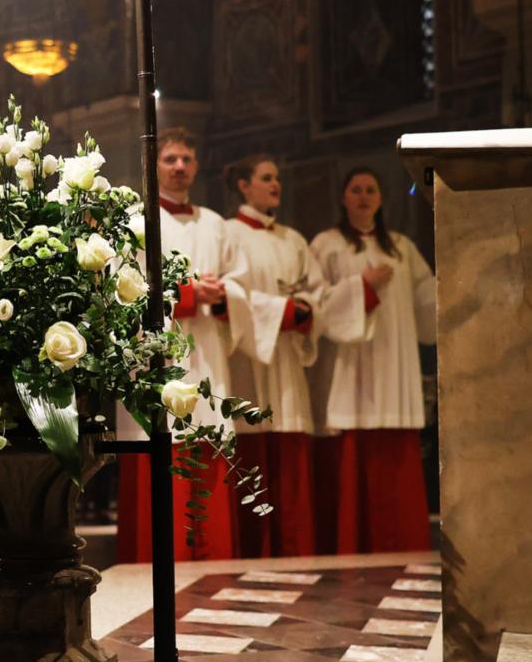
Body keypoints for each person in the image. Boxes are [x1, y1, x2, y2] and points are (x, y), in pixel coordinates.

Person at [114, 127, 250, 563]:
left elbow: (242, 284)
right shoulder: (137, 221)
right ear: (154, 166)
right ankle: (154, 562)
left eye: (185, 160)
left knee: (208, 440)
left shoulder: (214, 223)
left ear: (196, 165)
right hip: (158, 358)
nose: (178, 167)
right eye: (169, 159)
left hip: (208, 353)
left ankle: (213, 559)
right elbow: (123, 290)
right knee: (161, 446)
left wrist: (223, 294)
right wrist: (188, 295)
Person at [222, 155, 365, 557]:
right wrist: (280, 311)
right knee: (251, 450)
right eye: (266, 178)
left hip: (285, 362)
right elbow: (230, 297)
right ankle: (252, 549)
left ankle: (293, 548)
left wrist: (304, 309)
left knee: (289, 456)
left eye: (278, 179)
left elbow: (316, 293)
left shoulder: (294, 239)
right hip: (249, 360)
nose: (275, 185)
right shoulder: (228, 234)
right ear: (244, 186)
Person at [308, 167, 438, 553]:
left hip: (394, 368)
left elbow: (427, 304)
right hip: (349, 368)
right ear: (344, 198)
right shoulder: (327, 245)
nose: (364, 195)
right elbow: (317, 305)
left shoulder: (402, 248)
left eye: (371, 189)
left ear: (381, 199)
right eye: (356, 189)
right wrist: (361, 286)